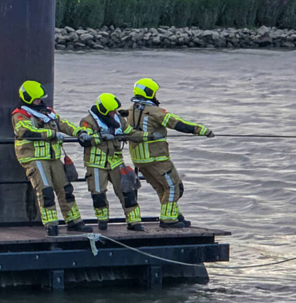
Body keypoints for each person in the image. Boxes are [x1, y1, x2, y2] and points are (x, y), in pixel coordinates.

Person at [125, 78, 215, 228]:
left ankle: (175, 215)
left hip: (139, 160)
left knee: (162, 188)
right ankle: (168, 219)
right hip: (156, 158)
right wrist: (202, 130)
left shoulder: (129, 110)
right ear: (149, 93)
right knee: (175, 187)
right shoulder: (155, 112)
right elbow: (178, 123)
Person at [11, 80, 90, 237]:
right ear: (27, 98)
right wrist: (52, 134)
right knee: (45, 191)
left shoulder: (47, 112)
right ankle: (51, 224)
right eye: (36, 99)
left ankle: (74, 221)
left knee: (66, 189)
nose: (39, 101)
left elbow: (62, 123)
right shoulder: (20, 115)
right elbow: (25, 131)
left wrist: (79, 132)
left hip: (53, 157)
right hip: (35, 158)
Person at [79, 93, 145, 232]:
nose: (114, 112)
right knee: (98, 194)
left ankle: (134, 221)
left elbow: (129, 132)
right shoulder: (87, 121)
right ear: (103, 110)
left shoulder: (119, 120)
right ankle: (102, 221)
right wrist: (101, 137)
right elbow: (85, 138)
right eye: (111, 110)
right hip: (96, 162)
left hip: (115, 160)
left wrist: (146, 136)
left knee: (127, 191)